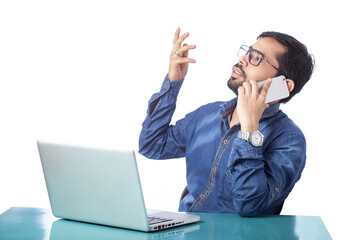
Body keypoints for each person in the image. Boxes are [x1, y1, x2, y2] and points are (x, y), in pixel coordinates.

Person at [139, 28, 314, 216]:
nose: (242, 60)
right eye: (248, 52)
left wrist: (249, 129)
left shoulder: (289, 140)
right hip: (187, 232)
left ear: (284, 85)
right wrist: (173, 83)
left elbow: (250, 206)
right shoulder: (207, 114)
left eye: (257, 58)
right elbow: (152, 145)